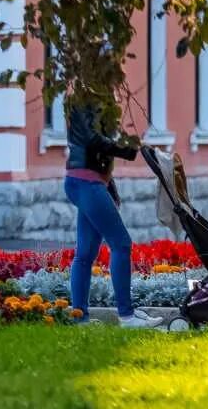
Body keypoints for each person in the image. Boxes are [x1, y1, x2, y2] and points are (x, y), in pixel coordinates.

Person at [65, 102, 156, 327]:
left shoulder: (93, 99)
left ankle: (80, 319)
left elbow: (99, 150)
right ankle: (127, 316)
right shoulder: (83, 100)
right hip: (86, 183)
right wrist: (128, 149)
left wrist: (109, 187)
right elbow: (94, 141)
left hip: (87, 182)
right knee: (121, 244)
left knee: (85, 253)